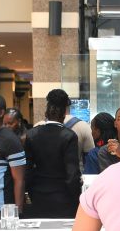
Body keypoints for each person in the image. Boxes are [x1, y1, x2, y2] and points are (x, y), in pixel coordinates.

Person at [23, 89, 80, 218]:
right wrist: (76, 197)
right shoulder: (69, 136)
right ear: (64, 113)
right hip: (63, 197)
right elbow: (72, 174)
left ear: (46, 111)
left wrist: (29, 192)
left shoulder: (32, 134)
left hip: (37, 196)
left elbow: (27, 170)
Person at [59, 93, 95, 172]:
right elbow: (89, 157)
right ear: (69, 106)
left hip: (47, 180)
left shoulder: (39, 126)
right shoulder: (83, 126)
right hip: (75, 176)